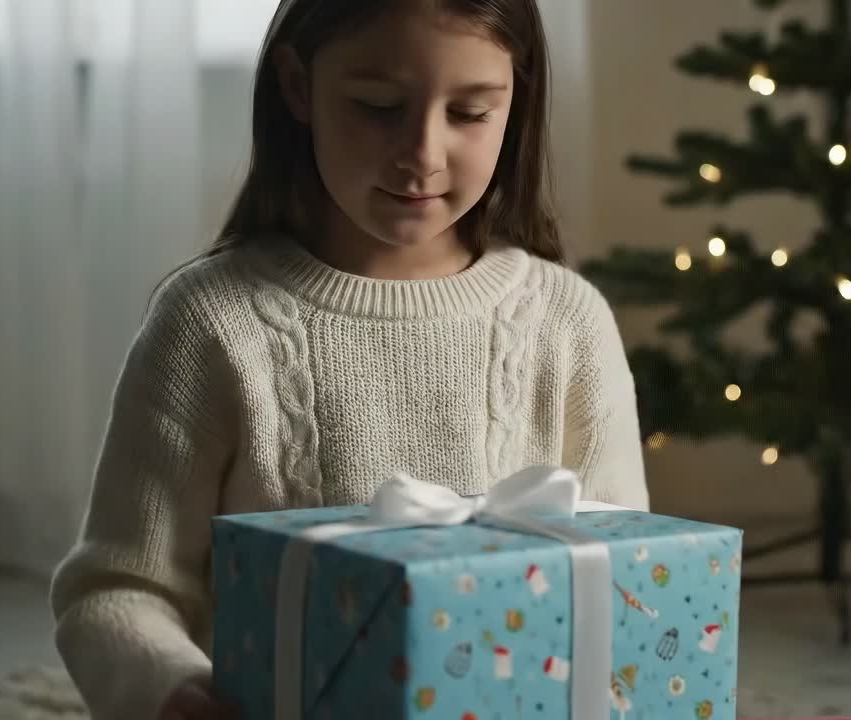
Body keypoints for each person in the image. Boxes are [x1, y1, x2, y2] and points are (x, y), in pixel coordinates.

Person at [49, 0, 649, 718]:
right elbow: (117, 589)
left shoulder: (568, 321)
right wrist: (172, 689)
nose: (423, 153)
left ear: (515, 102)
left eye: (469, 113)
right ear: (298, 88)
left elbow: (624, 575)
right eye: (377, 106)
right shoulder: (209, 322)